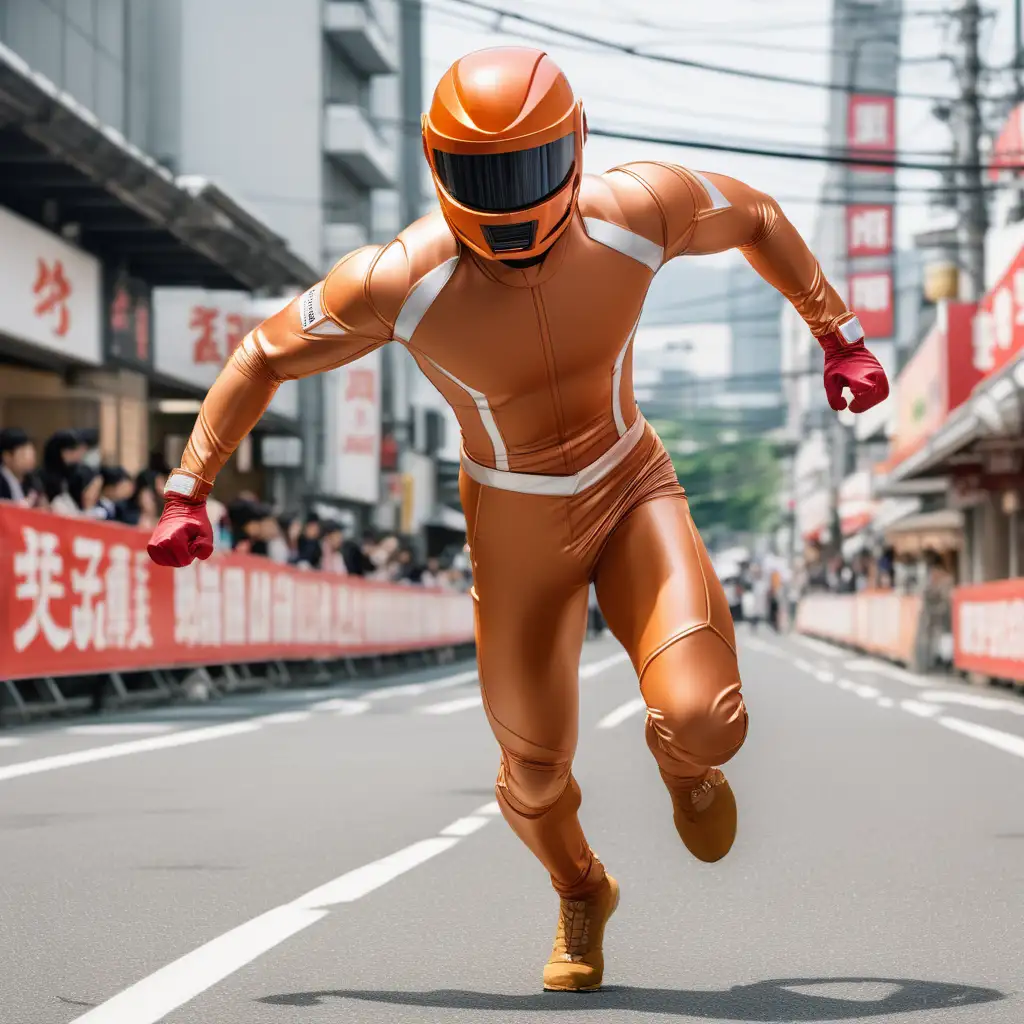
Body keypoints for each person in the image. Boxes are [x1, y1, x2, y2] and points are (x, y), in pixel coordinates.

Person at [146, 47, 889, 993]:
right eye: (480, 175)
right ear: (436, 168)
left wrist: (840, 332)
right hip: (517, 529)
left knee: (705, 719)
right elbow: (262, 353)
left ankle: (685, 768)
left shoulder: (636, 210)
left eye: (530, 169)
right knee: (534, 774)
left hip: (630, 488)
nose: (510, 200)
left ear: (575, 148)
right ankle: (582, 890)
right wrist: (187, 483)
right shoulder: (398, 280)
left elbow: (755, 215)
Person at [0, 428, 37, 504]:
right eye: (23, 454)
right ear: (7, 457)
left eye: (31, 454)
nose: (29, 459)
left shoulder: (32, 481)